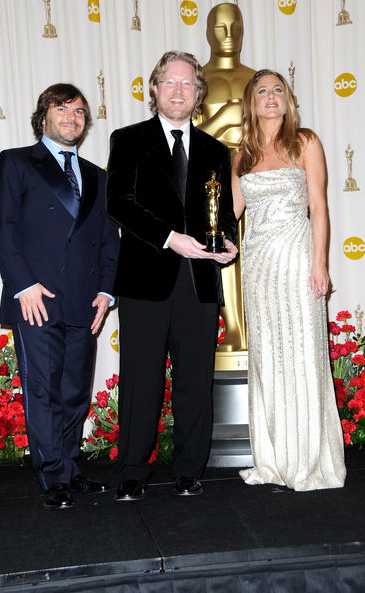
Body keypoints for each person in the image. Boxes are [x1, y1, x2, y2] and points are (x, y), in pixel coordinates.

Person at [106, 51, 238, 501]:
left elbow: (221, 216)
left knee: (195, 380)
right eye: (170, 82)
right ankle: (131, 471)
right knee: (141, 378)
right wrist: (169, 238)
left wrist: (231, 242)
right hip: (146, 278)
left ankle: (189, 469)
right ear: (155, 89)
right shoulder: (128, 139)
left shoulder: (217, 151)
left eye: (187, 84)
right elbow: (119, 202)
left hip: (200, 281)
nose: (178, 90)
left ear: (199, 95)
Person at [0, 83, 120, 509]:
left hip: (83, 300)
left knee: (75, 390)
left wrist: (105, 291)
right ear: (43, 116)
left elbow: (107, 241)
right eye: (62, 109)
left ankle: (70, 467)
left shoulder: (99, 177)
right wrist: (22, 285)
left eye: (80, 112)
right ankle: (52, 476)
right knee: (42, 389)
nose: (72, 117)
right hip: (36, 298)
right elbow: (0, 226)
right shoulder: (16, 163)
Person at [232, 69, 346, 491]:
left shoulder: (305, 142)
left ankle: (309, 461)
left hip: (298, 261)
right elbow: (230, 216)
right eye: (262, 90)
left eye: (278, 89)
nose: (271, 95)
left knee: (302, 355)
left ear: (288, 98)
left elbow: (319, 206)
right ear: (252, 102)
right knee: (268, 358)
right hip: (258, 268)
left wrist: (321, 263)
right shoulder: (240, 155)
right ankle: (274, 459)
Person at [195, 1, 256, 358]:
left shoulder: (256, 78)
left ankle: (258, 327)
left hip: (257, 173)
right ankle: (234, 327)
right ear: (207, 32)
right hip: (215, 179)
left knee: (258, 253)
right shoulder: (198, 80)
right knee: (226, 253)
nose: (229, 35)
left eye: (235, 26)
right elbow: (188, 137)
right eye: (220, 28)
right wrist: (223, 122)